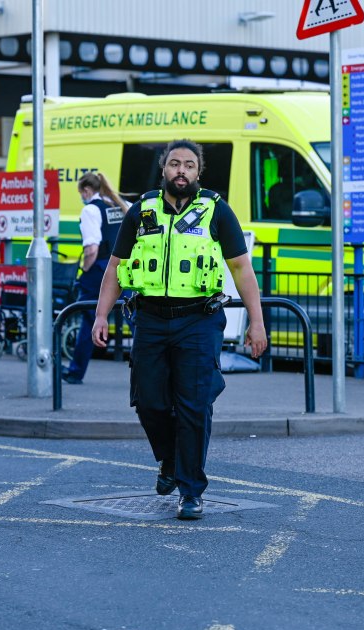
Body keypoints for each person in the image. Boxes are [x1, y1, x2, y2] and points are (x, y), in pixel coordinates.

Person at [91, 139, 267, 520]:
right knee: (149, 402)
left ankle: (191, 491)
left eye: (189, 164)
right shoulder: (141, 210)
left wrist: (257, 321)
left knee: (194, 406)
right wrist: (101, 315)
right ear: (164, 169)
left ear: (198, 171)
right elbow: (115, 268)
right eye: (174, 164)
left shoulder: (217, 211)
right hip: (151, 319)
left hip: (198, 320)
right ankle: (169, 461)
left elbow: (242, 269)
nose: (181, 170)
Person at [61, 172, 130, 384]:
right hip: (127, 268)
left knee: (89, 319)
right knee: (135, 317)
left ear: (87, 191)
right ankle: (150, 372)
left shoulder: (91, 209)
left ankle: (76, 372)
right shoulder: (122, 204)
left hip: (100, 270)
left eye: (81, 193)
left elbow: (91, 249)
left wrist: (84, 270)